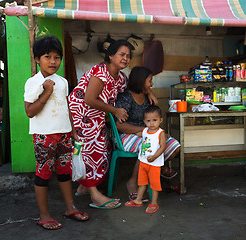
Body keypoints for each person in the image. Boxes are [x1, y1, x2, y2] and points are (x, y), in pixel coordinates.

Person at [68, 40, 146, 209]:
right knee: (90, 151)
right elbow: (89, 99)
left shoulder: (121, 78)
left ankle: (84, 187)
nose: (126, 58)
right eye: (122, 54)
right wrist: (115, 111)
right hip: (83, 114)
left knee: (103, 150)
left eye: (128, 56)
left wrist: (151, 92)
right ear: (110, 55)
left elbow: (135, 86)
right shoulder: (100, 71)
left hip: (98, 117)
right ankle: (95, 196)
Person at [24, 35, 89, 230]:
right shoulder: (33, 82)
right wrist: (46, 93)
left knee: (64, 172)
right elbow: (29, 111)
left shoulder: (62, 82)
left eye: (57, 57)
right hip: (44, 135)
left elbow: (66, 108)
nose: (53, 61)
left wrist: (73, 130)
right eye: (47, 57)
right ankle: (44, 215)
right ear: (37, 59)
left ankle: (70, 208)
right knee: (43, 174)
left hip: (64, 134)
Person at [114, 66, 181, 201]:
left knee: (174, 145)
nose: (152, 84)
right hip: (125, 136)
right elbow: (119, 125)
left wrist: (158, 133)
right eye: (149, 81)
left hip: (146, 134)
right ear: (140, 81)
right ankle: (132, 182)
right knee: (149, 145)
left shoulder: (147, 98)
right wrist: (142, 132)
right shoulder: (125, 98)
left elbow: (153, 119)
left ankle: (157, 169)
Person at [125, 105, 165, 213]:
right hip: (143, 162)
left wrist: (154, 157)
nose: (152, 123)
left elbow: (162, 147)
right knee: (142, 182)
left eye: (155, 120)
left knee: (154, 184)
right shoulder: (145, 131)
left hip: (154, 163)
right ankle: (138, 200)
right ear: (144, 121)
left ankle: (154, 203)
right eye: (148, 121)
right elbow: (140, 136)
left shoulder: (160, 133)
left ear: (161, 120)